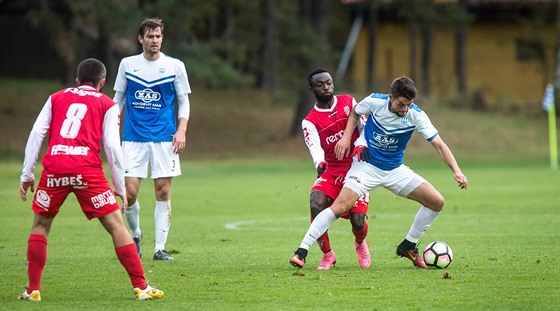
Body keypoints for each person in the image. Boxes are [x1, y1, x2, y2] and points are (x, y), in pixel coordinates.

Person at [18, 58, 164, 301]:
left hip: (55, 166)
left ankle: (33, 290)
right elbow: (112, 147)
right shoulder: (107, 104)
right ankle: (141, 287)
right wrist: (119, 187)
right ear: (102, 82)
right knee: (117, 225)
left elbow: (36, 133)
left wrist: (27, 174)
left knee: (41, 226)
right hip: (87, 169)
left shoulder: (56, 97)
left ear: (77, 80)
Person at [290, 76, 468, 269]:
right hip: (365, 167)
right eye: (401, 104)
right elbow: (355, 113)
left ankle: (408, 245)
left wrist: (457, 171)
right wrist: (347, 137)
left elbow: (439, 145)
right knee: (340, 206)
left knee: (436, 202)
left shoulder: (416, 115)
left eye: (408, 105)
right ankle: (302, 251)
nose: (404, 109)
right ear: (391, 97)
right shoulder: (375, 101)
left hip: (395, 170)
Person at [113, 17, 192, 261]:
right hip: (133, 137)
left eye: (158, 36)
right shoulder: (127, 64)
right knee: (130, 192)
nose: (154, 40)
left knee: (163, 189)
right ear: (141, 39)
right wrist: (112, 130)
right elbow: (118, 100)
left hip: (163, 138)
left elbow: (184, 101)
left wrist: (181, 130)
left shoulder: (175, 66)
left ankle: (160, 247)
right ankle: (136, 235)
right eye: (150, 36)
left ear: (162, 38)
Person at [300, 68, 371, 270]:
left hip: (357, 167)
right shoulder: (310, 120)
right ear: (311, 89)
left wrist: (361, 146)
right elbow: (313, 145)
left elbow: (363, 127)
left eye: (329, 82)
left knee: (357, 222)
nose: (326, 87)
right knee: (316, 204)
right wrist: (319, 163)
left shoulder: (349, 102)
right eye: (320, 84)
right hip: (331, 169)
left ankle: (360, 243)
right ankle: (328, 255)